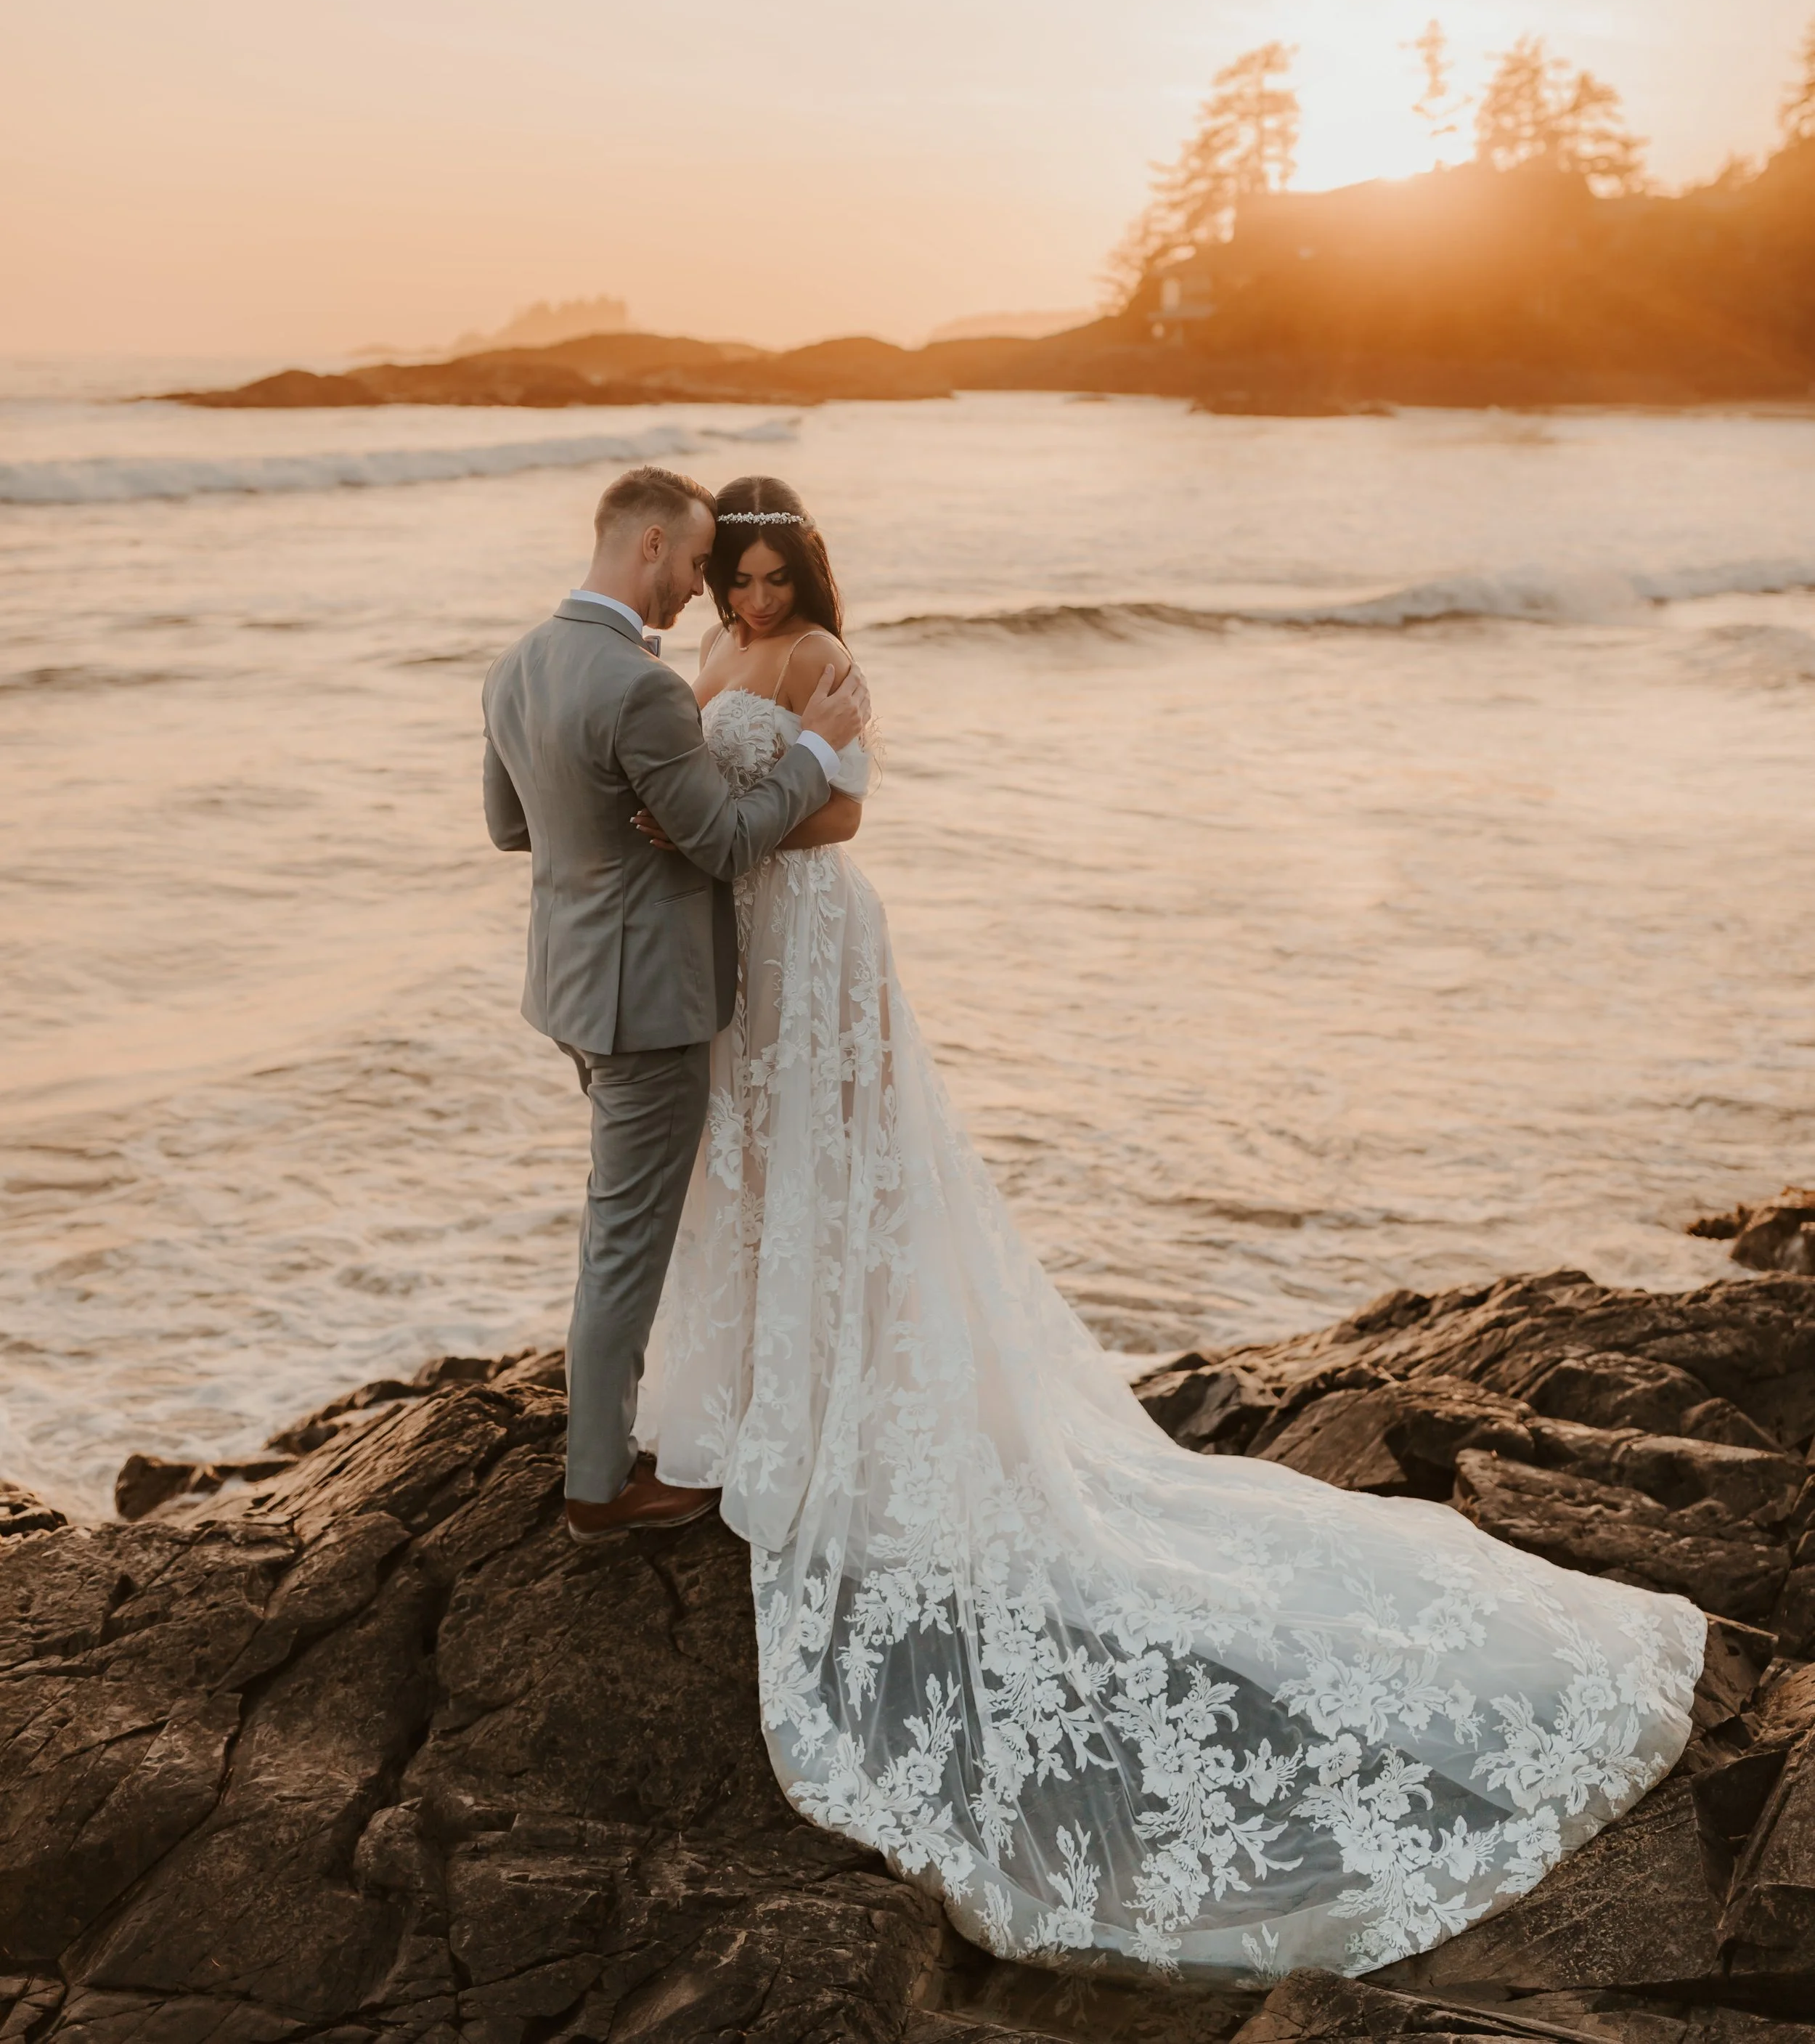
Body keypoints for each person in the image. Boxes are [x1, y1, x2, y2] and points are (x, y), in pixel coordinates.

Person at [626, 473, 1704, 1988]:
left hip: (813, 930)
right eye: (731, 582)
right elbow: (696, 803)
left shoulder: (814, 665)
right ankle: (764, 1378)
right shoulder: (705, 665)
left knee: (845, 1171)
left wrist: (774, 791)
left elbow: (847, 807)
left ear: (802, 574)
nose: (747, 602)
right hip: (738, 950)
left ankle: (859, 1391)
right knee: (753, 1173)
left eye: (766, 577)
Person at [481, 463, 868, 1542]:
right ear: (650, 544)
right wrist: (813, 750)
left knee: (625, 1222)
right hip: (646, 1002)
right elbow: (729, 837)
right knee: (624, 1243)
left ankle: (625, 1434)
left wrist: (611, 833)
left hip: (566, 989)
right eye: (701, 563)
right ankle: (598, 1488)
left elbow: (514, 829)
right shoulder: (643, 683)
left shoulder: (518, 665)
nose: (706, 590)